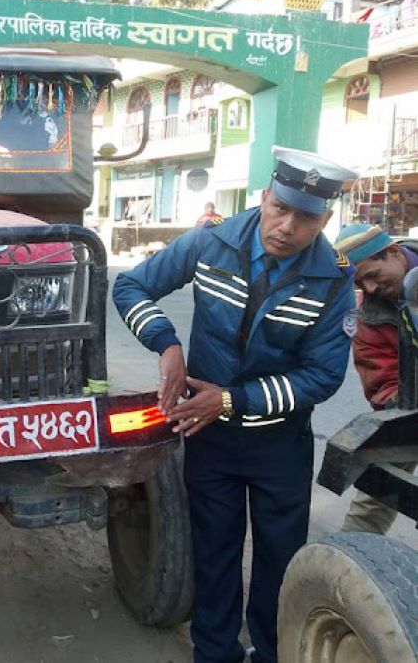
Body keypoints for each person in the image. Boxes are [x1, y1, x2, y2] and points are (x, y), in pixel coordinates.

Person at [112, 146, 358, 663]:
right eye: (279, 208)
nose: (287, 226)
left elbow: (321, 377)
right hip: (212, 443)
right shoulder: (212, 242)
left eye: (306, 217)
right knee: (215, 552)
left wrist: (228, 399)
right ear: (265, 197)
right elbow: (131, 285)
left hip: (279, 446)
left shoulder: (334, 278)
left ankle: (270, 652)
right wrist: (167, 343)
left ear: (326, 219)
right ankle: (215, 652)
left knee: (278, 560)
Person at [333, 223, 418, 534]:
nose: (368, 289)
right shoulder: (367, 321)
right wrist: (404, 403)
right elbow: (381, 386)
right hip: (413, 408)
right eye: (359, 283)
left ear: (394, 253)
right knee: (376, 495)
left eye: (372, 276)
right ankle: (347, 564)